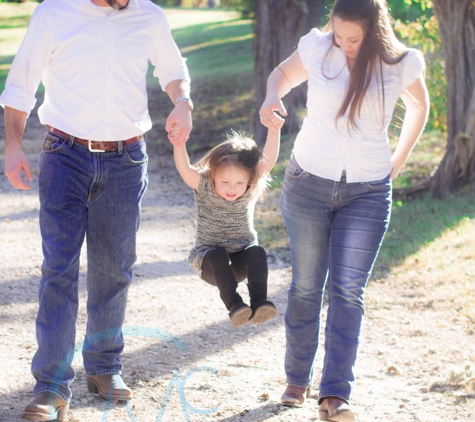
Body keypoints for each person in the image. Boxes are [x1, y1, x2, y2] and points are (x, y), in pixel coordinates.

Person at [0, 0, 192, 419]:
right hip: (64, 154)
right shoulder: (54, 12)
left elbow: (173, 71)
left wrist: (183, 102)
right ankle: (51, 386)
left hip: (127, 160)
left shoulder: (150, 16)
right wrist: (12, 144)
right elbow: (20, 83)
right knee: (59, 270)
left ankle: (104, 366)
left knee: (114, 269)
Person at [259, 0, 429, 420]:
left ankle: (335, 394)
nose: (345, 45)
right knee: (305, 287)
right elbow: (281, 76)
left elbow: (420, 107)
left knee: (348, 292)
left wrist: (398, 162)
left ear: (374, 31)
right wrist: (269, 99)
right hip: (308, 183)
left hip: (367, 192)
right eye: (339, 35)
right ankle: (297, 379)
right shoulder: (319, 48)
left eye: (353, 39)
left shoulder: (400, 63)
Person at [170, 119, 283, 327]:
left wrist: (274, 130)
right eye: (225, 182)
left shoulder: (248, 188)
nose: (232, 188)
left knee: (257, 251)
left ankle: (260, 303)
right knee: (217, 254)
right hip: (210, 263)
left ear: (248, 179)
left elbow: (268, 161)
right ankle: (235, 306)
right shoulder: (204, 186)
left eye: (239, 182)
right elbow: (185, 169)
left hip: (240, 263)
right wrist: (179, 144)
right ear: (212, 176)